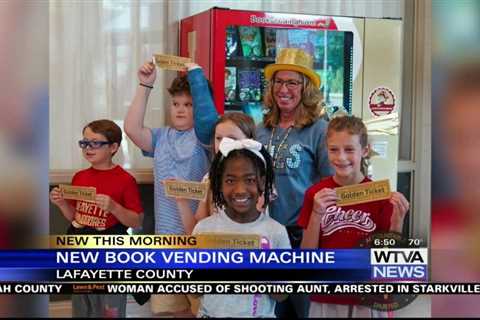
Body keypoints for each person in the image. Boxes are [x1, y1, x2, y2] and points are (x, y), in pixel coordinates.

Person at [190, 48, 333, 317]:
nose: (284, 89)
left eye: (292, 82)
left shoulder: (319, 130)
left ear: (306, 88)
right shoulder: (262, 128)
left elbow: (330, 185)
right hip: (258, 233)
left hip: (299, 235)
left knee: (297, 308)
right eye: (278, 81)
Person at [298, 115, 409, 317]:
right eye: (334, 149)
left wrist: (397, 222)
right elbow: (307, 256)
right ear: (326, 149)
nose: (341, 158)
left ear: (364, 151)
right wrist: (316, 214)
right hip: (327, 296)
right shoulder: (315, 195)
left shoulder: (380, 196)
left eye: (349, 149)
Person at [124, 62, 209, 316]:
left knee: (201, 310)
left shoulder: (207, 137)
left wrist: (197, 79)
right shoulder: (162, 136)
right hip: (166, 243)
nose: (181, 110)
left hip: (198, 240)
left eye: (189, 104)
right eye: (176, 104)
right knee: (168, 311)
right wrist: (145, 84)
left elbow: (209, 123)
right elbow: (131, 129)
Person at [49, 119, 144, 317]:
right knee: (82, 304)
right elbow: (76, 218)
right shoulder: (80, 177)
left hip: (110, 252)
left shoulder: (125, 180)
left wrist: (114, 207)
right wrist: (61, 204)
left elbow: (136, 220)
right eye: (84, 142)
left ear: (113, 147)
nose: (88, 148)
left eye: (95, 143)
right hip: (82, 250)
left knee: (110, 304)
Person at [192, 137, 291, 317]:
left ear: (262, 181)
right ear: (219, 183)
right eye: (230, 181)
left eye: (250, 180)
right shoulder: (203, 230)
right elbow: (193, 290)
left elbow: (282, 294)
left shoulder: (276, 232)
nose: (240, 190)